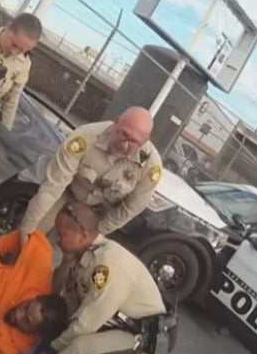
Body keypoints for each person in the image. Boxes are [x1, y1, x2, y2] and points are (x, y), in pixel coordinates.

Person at [0, 202, 176, 354]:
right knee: (63, 332)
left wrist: (54, 347)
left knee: (81, 350)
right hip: (115, 316)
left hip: (145, 333)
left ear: (83, 236)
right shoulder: (84, 254)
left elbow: (87, 323)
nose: (58, 240)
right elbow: (69, 300)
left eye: (62, 235)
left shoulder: (107, 268)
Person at [18, 106, 162, 248]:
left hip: (98, 214)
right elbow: (53, 186)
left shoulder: (151, 168)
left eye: (134, 142)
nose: (125, 145)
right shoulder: (85, 138)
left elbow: (129, 209)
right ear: (116, 122)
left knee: (81, 262)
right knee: (29, 238)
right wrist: (27, 229)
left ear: (145, 141)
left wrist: (99, 231)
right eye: (123, 134)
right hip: (66, 193)